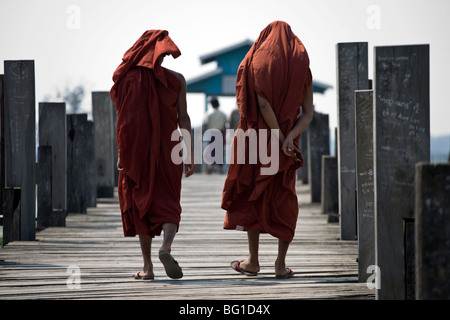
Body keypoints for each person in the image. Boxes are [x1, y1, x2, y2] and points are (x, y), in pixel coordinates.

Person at [221, 21, 314, 278]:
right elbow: (307, 114)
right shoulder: (302, 70)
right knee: (284, 199)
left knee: (255, 195)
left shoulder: (256, 62)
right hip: (286, 148)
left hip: (257, 141)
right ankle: (280, 265)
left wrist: (277, 136)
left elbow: (261, 104)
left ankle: (252, 261)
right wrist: (288, 139)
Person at [110, 30, 195, 280]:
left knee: (140, 206)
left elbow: (124, 121)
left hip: (136, 152)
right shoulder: (178, 80)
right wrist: (188, 153)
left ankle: (148, 268)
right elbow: (184, 119)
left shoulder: (127, 80)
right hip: (171, 151)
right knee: (169, 202)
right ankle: (166, 247)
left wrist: (121, 153)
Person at [203, 97, 227, 174]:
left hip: (212, 133)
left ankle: (210, 166)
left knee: (211, 150)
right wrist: (225, 137)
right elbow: (224, 127)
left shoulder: (209, 113)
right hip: (220, 133)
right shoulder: (223, 114)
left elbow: (205, 125)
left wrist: (202, 134)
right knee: (220, 151)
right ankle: (220, 169)